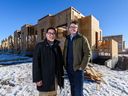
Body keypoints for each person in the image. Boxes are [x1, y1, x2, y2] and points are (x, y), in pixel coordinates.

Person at [32, 27, 64, 96]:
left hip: (54, 79)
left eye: (53, 33)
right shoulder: (40, 46)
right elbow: (36, 64)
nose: (51, 35)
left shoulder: (57, 47)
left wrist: (61, 78)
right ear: (46, 34)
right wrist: (37, 79)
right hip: (44, 80)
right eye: (49, 33)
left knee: (54, 94)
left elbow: (60, 63)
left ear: (55, 35)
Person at [63, 21, 91, 96]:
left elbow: (88, 53)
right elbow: (65, 52)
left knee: (78, 91)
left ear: (77, 28)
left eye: (75, 27)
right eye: (71, 27)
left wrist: (82, 67)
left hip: (78, 69)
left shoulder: (82, 38)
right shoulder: (67, 39)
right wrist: (65, 65)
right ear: (69, 28)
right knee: (72, 87)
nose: (73, 28)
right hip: (69, 68)